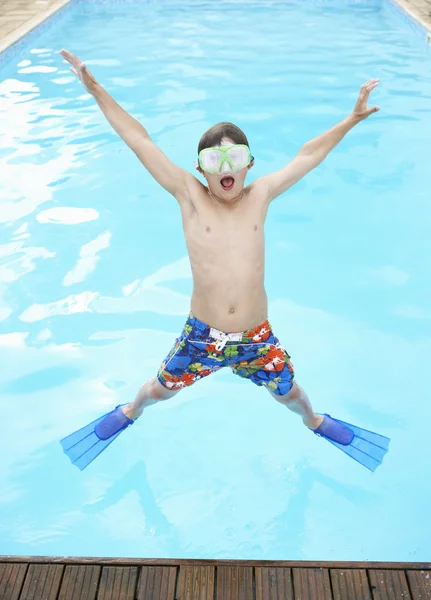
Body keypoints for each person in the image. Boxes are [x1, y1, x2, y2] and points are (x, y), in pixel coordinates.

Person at [59, 49, 390, 472]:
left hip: (256, 335)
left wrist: (350, 120)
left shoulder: (261, 195)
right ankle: (132, 410)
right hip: (202, 335)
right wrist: (95, 89)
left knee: (291, 394)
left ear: (250, 164)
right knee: (159, 390)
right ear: (201, 169)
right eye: (215, 161)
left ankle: (314, 421)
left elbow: (307, 156)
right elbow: (139, 140)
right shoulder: (189, 195)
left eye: (235, 158)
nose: (226, 168)